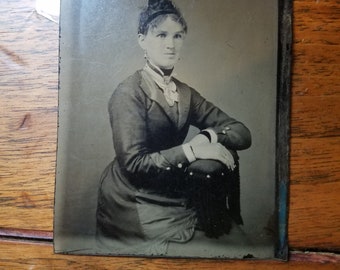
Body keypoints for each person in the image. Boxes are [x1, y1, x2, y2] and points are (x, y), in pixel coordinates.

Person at [96, 0, 251, 255]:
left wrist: (207, 136)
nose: (171, 44)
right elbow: (135, 165)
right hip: (135, 198)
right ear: (142, 40)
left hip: (173, 188)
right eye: (161, 35)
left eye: (178, 36)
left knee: (234, 243)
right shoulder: (128, 93)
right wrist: (193, 151)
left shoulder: (184, 92)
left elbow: (241, 133)